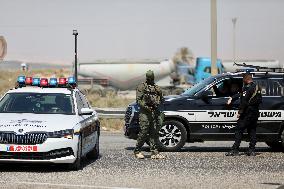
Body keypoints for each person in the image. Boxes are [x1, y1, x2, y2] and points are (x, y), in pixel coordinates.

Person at [226, 73, 262, 156]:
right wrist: (232, 97)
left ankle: (235, 149)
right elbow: (242, 94)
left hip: (247, 113)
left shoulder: (247, 88)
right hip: (255, 112)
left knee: (239, 129)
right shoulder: (257, 87)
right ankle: (252, 150)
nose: (243, 81)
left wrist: (240, 112)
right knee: (252, 131)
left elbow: (244, 101)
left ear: (246, 79)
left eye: (243, 79)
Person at [134, 70, 165, 159]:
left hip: (154, 112)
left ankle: (154, 152)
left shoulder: (156, 88)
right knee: (144, 132)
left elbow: (162, 99)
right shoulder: (142, 87)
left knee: (154, 133)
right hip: (145, 113)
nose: (150, 79)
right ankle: (137, 151)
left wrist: (157, 102)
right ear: (147, 77)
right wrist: (147, 107)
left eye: (151, 78)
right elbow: (138, 100)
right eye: (149, 77)